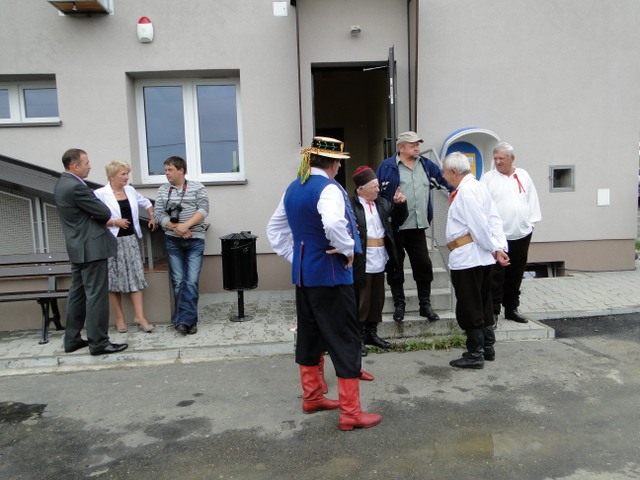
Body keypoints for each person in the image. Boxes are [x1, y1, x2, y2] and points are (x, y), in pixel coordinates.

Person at [266, 136, 382, 431]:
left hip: (305, 276)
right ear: (333, 163)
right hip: (330, 276)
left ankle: (313, 397)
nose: (339, 168)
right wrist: (346, 249)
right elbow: (332, 223)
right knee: (345, 339)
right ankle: (351, 412)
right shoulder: (328, 188)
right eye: (339, 163)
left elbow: (274, 231)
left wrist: (297, 257)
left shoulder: (293, 187)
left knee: (310, 335)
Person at [54, 148, 128, 356]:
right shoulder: (76, 186)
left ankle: (72, 339)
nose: (90, 166)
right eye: (86, 163)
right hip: (91, 248)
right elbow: (104, 212)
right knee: (96, 296)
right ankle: (99, 343)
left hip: (78, 247)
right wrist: (97, 215)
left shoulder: (62, 183)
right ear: (74, 166)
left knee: (77, 294)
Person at [376, 131, 453, 322]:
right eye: (413, 145)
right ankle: (399, 305)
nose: (417, 148)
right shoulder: (387, 166)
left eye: (418, 144)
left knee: (424, 265)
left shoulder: (426, 165)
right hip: (395, 228)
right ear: (401, 147)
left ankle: (425, 305)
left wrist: (462, 192)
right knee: (395, 267)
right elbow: (377, 196)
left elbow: (445, 183)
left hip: (418, 227)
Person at [442, 152, 509, 369]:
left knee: (470, 305)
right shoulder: (479, 187)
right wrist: (498, 247)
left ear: (454, 171)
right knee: (483, 302)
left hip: (469, 257)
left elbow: (479, 225)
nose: (443, 176)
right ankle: (487, 347)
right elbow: (494, 219)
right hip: (480, 257)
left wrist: (494, 248)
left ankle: (475, 354)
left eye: (445, 172)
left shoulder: (467, 192)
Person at [481, 142, 542, 324]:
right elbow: (482, 206)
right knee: (496, 276)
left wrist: (531, 224)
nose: (498, 162)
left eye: (502, 158)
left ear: (512, 158)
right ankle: (493, 311)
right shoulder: (488, 179)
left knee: (516, 273)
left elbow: (532, 200)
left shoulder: (523, 175)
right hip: (498, 237)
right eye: (495, 158)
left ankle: (511, 308)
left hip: (522, 234)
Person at [349, 166, 408, 356]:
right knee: (362, 300)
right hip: (362, 258)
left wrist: (400, 205)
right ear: (360, 189)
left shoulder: (382, 203)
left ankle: (371, 333)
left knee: (377, 298)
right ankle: (357, 337)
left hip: (380, 256)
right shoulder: (350, 206)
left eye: (377, 185)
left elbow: (397, 221)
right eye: (373, 186)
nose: (378, 189)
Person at [94, 160, 157, 334]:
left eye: (127, 173)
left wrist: (152, 217)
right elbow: (93, 219)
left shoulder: (130, 190)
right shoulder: (100, 194)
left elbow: (147, 203)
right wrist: (115, 222)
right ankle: (119, 317)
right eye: (123, 174)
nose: (126, 177)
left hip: (130, 240)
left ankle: (140, 317)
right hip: (111, 241)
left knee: (135, 277)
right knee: (113, 280)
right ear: (112, 176)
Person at [154, 156, 209, 336]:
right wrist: (177, 229)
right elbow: (158, 214)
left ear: (181, 170)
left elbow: (203, 210)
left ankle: (184, 320)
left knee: (190, 281)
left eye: (170, 170)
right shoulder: (163, 190)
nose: (166, 173)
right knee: (178, 282)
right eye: (165, 170)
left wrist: (186, 226)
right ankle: (187, 322)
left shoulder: (197, 187)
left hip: (195, 240)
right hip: (173, 241)